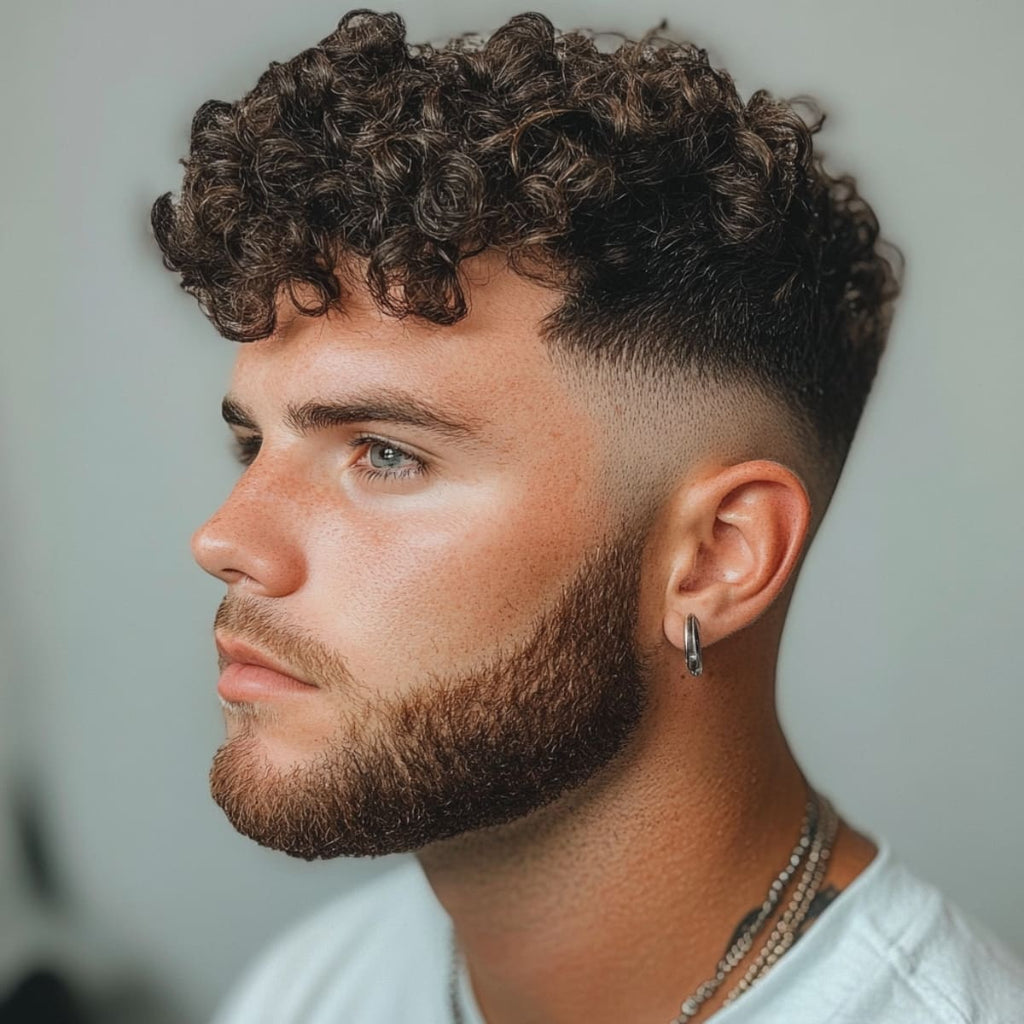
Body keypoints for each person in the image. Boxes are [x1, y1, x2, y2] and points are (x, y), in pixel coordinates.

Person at [151, 9, 1024, 1023]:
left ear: (715, 558)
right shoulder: (310, 989)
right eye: (252, 444)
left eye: (385, 452)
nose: (224, 538)